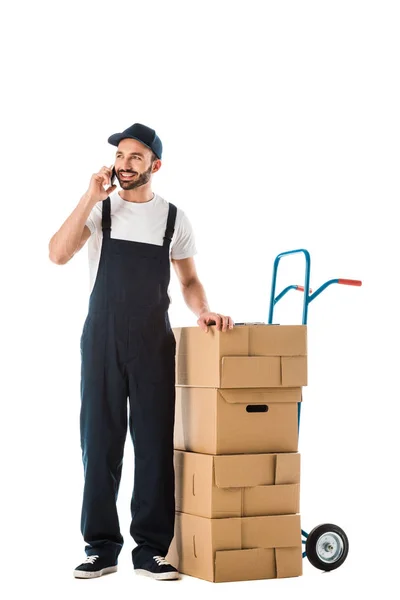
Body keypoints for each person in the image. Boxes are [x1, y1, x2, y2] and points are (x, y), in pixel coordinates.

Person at [48, 122, 233, 581]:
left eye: (135, 157)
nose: (125, 164)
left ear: (155, 165)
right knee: (100, 442)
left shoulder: (174, 219)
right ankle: (101, 548)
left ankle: (151, 548)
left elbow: (188, 281)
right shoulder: (101, 212)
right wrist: (90, 197)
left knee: (153, 446)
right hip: (102, 341)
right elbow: (57, 253)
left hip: (154, 342)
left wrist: (204, 310)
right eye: (120, 155)